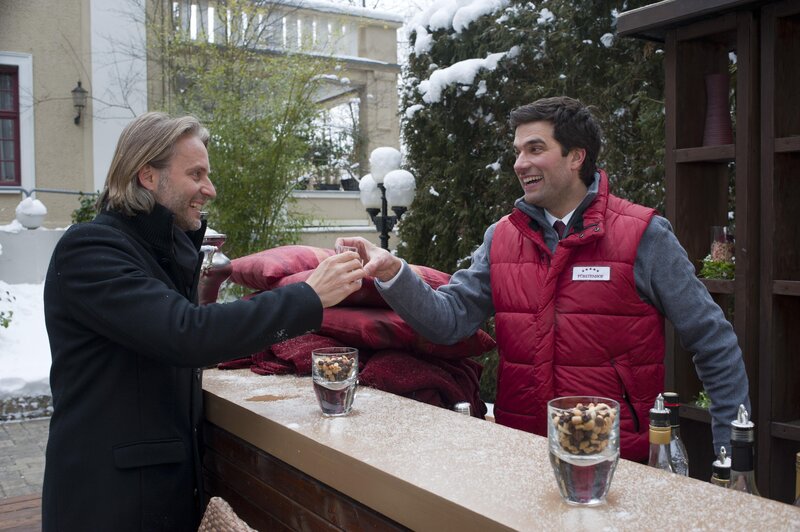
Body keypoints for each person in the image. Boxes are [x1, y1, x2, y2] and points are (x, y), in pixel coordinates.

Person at [337, 96, 750, 463]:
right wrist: (393, 272)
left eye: (535, 149)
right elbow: (449, 321)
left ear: (576, 157)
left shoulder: (644, 235)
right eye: (518, 151)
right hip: (521, 456)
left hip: (617, 462)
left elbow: (713, 341)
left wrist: (731, 456)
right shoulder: (501, 238)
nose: (520, 163)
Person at [42, 112, 364, 531]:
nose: (209, 189)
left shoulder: (155, 253)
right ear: (147, 175)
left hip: (153, 498)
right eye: (196, 174)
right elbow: (187, 333)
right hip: (108, 505)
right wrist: (308, 296)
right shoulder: (90, 250)